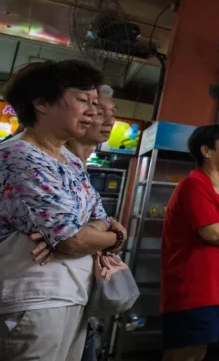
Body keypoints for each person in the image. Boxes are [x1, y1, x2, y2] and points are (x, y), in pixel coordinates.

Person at [0, 60, 126, 360]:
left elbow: (99, 220)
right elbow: (73, 240)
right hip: (34, 299)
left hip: (73, 294)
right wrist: (110, 236)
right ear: (42, 103)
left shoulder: (67, 161)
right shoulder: (20, 156)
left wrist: (98, 230)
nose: (93, 112)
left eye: (95, 103)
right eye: (83, 100)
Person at [160, 124, 219, 361]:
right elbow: (211, 233)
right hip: (192, 291)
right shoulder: (194, 185)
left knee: (199, 351)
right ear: (206, 151)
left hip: (216, 290)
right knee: (184, 353)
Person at [65, 84, 116, 361]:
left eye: (113, 113)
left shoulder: (82, 172)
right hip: (47, 299)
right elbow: (72, 239)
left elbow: (107, 224)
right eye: (99, 111)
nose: (109, 120)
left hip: (82, 298)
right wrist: (110, 232)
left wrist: (105, 229)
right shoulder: (47, 164)